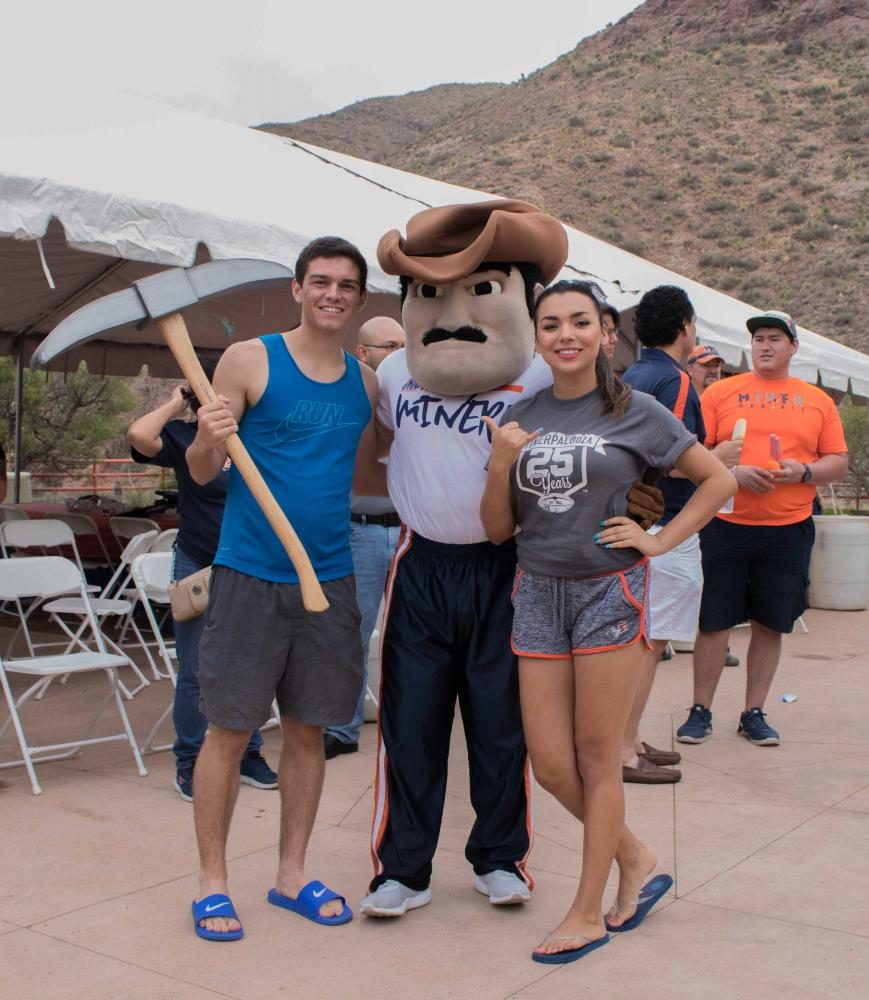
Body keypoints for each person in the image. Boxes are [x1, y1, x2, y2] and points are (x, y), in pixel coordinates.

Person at [359, 200, 664, 920]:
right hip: (421, 562)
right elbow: (373, 450)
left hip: (510, 566)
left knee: (502, 725)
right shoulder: (397, 373)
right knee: (410, 724)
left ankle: (500, 857)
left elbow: (611, 433)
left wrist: (642, 498)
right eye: (427, 291)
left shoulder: (535, 373)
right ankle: (401, 869)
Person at [480, 279, 735, 963]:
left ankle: (587, 911)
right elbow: (498, 527)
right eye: (550, 324)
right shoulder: (522, 413)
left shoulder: (638, 409)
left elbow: (717, 480)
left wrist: (656, 539)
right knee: (550, 764)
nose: (564, 334)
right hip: (535, 591)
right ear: (536, 336)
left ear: (605, 333)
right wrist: (500, 463)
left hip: (607, 592)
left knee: (597, 759)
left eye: (578, 322)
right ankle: (634, 855)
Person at [184, 236, 381, 941]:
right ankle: (212, 885)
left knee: (308, 732)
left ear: (360, 299)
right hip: (248, 575)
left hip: (328, 579)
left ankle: (291, 875)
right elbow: (204, 470)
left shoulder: (363, 383)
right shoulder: (250, 359)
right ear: (297, 289)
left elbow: (367, 476)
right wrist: (208, 436)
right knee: (229, 732)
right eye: (320, 281)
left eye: (346, 285)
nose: (332, 293)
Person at [677, 310, 848, 748]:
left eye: (775, 338)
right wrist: (734, 472)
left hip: (787, 529)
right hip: (725, 523)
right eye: (758, 339)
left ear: (793, 346)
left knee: (770, 623)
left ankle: (754, 712)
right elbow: (696, 452)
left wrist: (804, 472)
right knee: (714, 622)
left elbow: (838, 462)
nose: (765, 345)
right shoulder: (722, 393)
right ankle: (701, 710)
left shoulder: (817, 400)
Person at [127, 363, 278, 801]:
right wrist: (177, 400)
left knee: (250, 667)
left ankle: (248, 753)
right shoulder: (182, 437)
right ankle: (189, 763)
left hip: (250, 563)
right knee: (195, 669)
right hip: (198, 563)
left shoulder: (256, 435)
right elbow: (139, 436)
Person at [620, 287, 743, 784]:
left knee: (638, 639)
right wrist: (719, 461)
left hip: (630, 524)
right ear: (686, 327)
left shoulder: (631, 375)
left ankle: (625, 736)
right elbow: (667, 459)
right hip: (662, 529)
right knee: (649, 643)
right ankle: (625, 748)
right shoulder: (676, 381)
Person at [324, 316, 405, 760]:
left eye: (404, 346)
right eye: (389, 346)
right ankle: (341, 726)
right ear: (364, 354)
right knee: (352, 629)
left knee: (410, 635)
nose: (398, 353)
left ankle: (407, 726)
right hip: (362, 530)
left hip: (413, 531)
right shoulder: (349, 403)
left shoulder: (418, 399)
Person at [685, 343, 741, 669]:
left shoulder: (719, 401)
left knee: (712, 578)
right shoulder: (685, 401)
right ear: (690, 367)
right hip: (684, 502)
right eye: (706, 365)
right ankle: (663, 640)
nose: (713, 371)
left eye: (717, 365)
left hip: (717, 503)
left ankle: (721, 643)